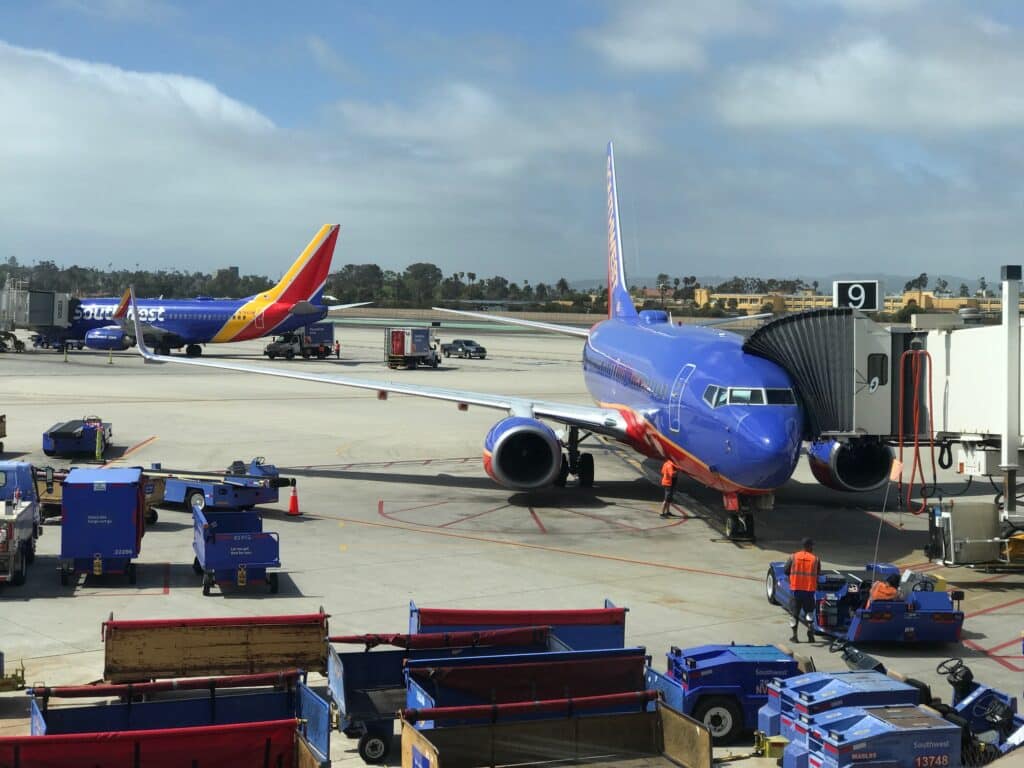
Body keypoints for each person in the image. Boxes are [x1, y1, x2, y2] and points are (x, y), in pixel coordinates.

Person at [784, 537, 820, 643]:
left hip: (796, 590)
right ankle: (810, 634)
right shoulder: (815, 559)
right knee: (809, 612)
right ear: (809, 546)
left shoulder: (793, 557)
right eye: (812, 546)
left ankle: (795, 637)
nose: (813, 547)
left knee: (794, 614)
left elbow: (786, 570)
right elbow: (818, 573)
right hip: (809, 591)